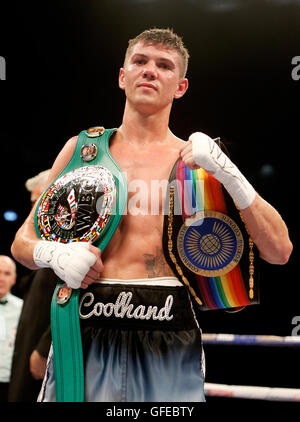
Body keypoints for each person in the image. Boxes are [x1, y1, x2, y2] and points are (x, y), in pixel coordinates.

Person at [11, 28, 293, 402]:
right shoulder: (82, 151)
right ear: (122, 75)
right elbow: (22, 243)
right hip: (85, 324)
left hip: (169, 330)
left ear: (180, 86)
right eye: (140, 61)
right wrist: (56, 254)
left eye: (164, 65)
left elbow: (280, 250)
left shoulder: (200, 161)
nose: (150, 71)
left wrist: (231, 174)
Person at [8, 170, 58, 402]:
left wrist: (44, 348)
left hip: (45, 355)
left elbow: (71, 294)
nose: (33, 209)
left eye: (36, 200)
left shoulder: (66, 238)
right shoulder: (43, 242)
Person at [0, 255, 23, 402]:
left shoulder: (23, 309)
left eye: (6, 273)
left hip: (11, 384)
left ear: (14, 278)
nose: (1, 278)